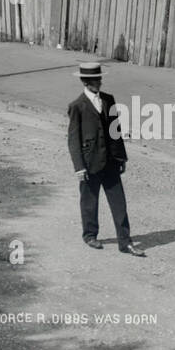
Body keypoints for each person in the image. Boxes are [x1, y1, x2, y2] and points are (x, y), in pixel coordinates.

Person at [66, 61, 145, 256]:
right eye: (94, 80)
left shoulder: (109, 100)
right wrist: (79, 167)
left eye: (99, 79)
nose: (98, 83)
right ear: (85, 82)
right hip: (89, 162)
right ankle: (90, 235)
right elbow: (73, 139)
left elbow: (115, 130)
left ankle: (125, 242)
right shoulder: (77, 106)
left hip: (110, 161)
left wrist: (121, 157)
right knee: (89, 201)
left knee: (119, 202)